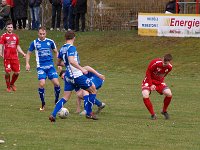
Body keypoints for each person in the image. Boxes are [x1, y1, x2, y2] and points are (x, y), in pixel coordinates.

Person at [49, 30, 98, 122]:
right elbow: (71, 61)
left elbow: (58, 63)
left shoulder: (62, 49)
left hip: (68, 76)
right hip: (77, 75)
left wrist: (67, 65)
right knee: (93, 89)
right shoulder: (71, 48)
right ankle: (89, 113)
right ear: (74, 38)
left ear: (65, 38)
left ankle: (53, 114)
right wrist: (81, 68)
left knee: (65, 97)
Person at [26, 26, 61, 111]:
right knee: (42, 84)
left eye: (43, 34)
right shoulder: (34, 43)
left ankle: (56, 101)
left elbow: (56, 52)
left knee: (57, 84)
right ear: (38, 33)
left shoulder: (50, 42)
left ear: (46, 33)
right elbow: (29, 53)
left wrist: (59, 63)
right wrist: (27, 63)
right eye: (40, 34)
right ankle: (43, 103)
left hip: (50, 67)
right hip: (41, 67)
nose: (42, 35)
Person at [142, 54, 173, 120]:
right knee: (145, 94)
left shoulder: (169, 67)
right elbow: (148, 72)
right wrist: (151, 85)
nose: (164, 64)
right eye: (163, 62)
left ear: (170, 62)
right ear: (162, 58)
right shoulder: (155, 63)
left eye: (166, 63)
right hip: (148, 80)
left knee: (169, 93)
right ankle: (153, 114)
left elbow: (163, 76)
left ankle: (164, 111)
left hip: (159, 82)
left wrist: (158, 85)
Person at [0, 21, 26, 92]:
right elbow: (1, 45)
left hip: (15, 57)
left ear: (13, 28)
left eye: (11, 27)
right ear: (6, 28)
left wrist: (23, 53)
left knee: (17, 73)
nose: (10, 28)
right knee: (8, 72)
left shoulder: (15, 36)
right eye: (9, 27)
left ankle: (12, 84)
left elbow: (17, 46)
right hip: (7, 57)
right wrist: (0, 52)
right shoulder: (3, 36)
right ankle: (8, 86)